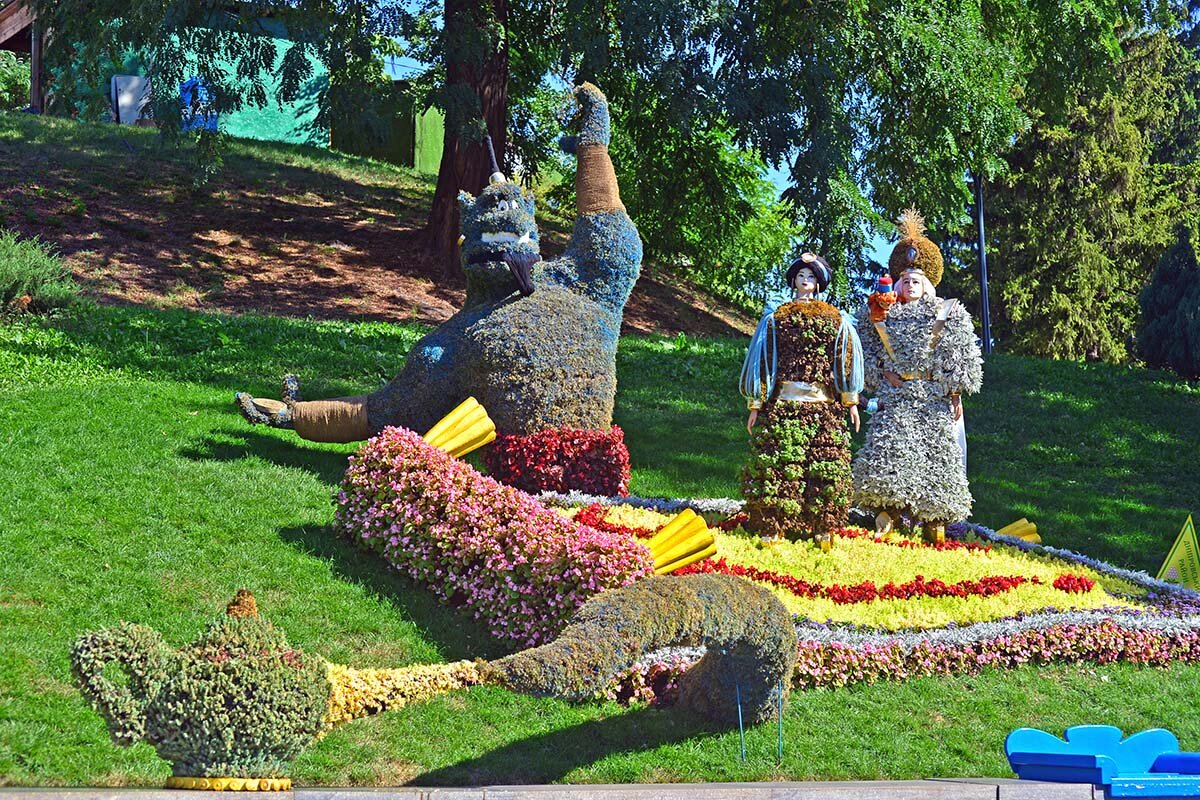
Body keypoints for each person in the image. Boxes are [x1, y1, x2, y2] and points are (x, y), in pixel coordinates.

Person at [852, 209, 984, 542]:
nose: (910, 285)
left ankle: (934, 518)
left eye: (916, 280)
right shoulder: (877, 315)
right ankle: (888, 512)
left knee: (936, 452)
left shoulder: (948, 312)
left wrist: (954, 389)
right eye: (905, 280)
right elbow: (862, 352)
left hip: (932, 396)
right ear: (896, 282)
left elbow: (960, 352)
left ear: (926, 284)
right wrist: (882, 372)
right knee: (891, 449)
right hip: (895, 396)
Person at [739, 253, 864, 550]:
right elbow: (764, 358)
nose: (805, 281)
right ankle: (774, 523)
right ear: (793, 280)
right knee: (780, 463)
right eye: (801, 276)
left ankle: (823, 525)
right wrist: (756, 403)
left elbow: (844, 359)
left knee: (825, 464)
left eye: (811, 277)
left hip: (823, 405)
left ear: (818, 283)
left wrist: (851, 401)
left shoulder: (836, 319)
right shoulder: (776, 317)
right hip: (784, 403)